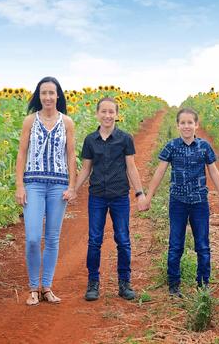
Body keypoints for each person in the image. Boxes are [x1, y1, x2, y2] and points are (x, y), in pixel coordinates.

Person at [142, 108, 219, 297]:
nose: (187, 126)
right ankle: (173, 285)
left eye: (190, 123)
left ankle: (203, 285)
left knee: (203, 245)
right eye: (183, 123)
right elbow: (160, 171)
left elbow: (213, 171)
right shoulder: (171, 146)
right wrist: (149, 196)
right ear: (177, 125)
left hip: (199, 202)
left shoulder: (204, 147)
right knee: (175, 245)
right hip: (178, 202)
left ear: (197, 125)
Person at [73, 97, 146, 301]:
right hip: (97, 197)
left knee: (123, 240)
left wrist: (139, 193)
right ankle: (93, 283)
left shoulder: (125, 139)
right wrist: (74, 190)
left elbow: (131, 167)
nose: (107, 115)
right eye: (103, 112)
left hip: (119, 196)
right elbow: (86, 168)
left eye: (111, 112)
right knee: (94, 240)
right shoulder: (90, 140)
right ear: (97, 114)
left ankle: (124, 283)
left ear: (117, 114)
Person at [15, 76, 77, 306]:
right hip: (33, 184)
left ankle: (47, 287)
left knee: (52, 238)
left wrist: (72, 186)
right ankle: (33, 287)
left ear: (58, 95)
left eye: (52, 93)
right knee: (32, 238)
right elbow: (22, 153)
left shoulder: (67, 122)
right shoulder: (30, 121)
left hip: (59, 185)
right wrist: (19, 185)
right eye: (44, 93)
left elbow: (71, 155)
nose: (48, 97)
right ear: (39, 96)